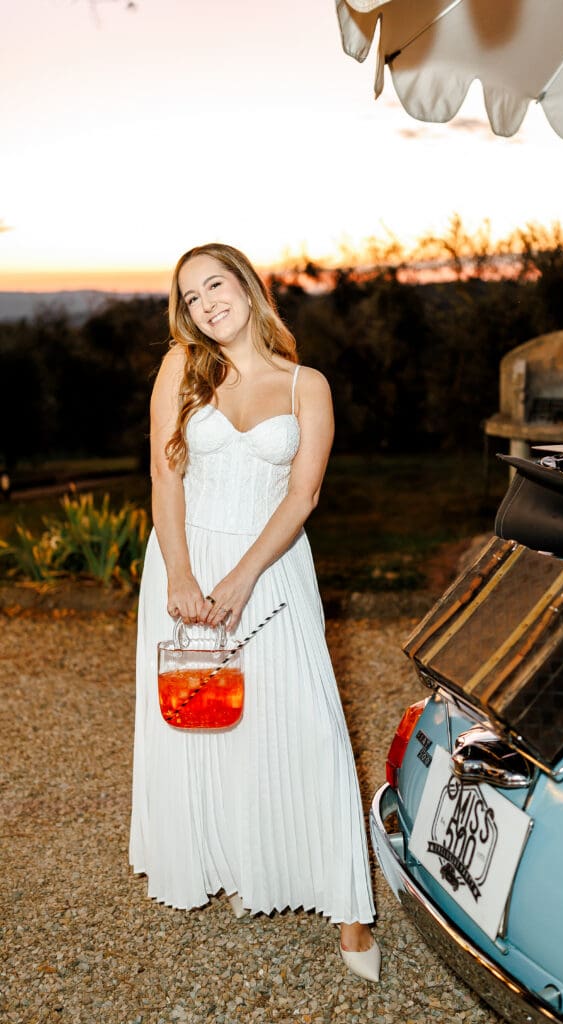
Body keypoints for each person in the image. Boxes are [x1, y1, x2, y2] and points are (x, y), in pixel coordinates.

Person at [129, 242, 380, 982]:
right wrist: (179, 570)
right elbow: (163, 473)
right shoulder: (182, 368)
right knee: (201, 717)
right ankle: (234, 859)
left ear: (247, 286)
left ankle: (352, 916)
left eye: (216, 283)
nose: (207, 302)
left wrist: (240, 579)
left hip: (268, 569)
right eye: (191, 296)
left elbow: (301, 497)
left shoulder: (308, 385)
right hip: (184, 561)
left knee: (310, 726)